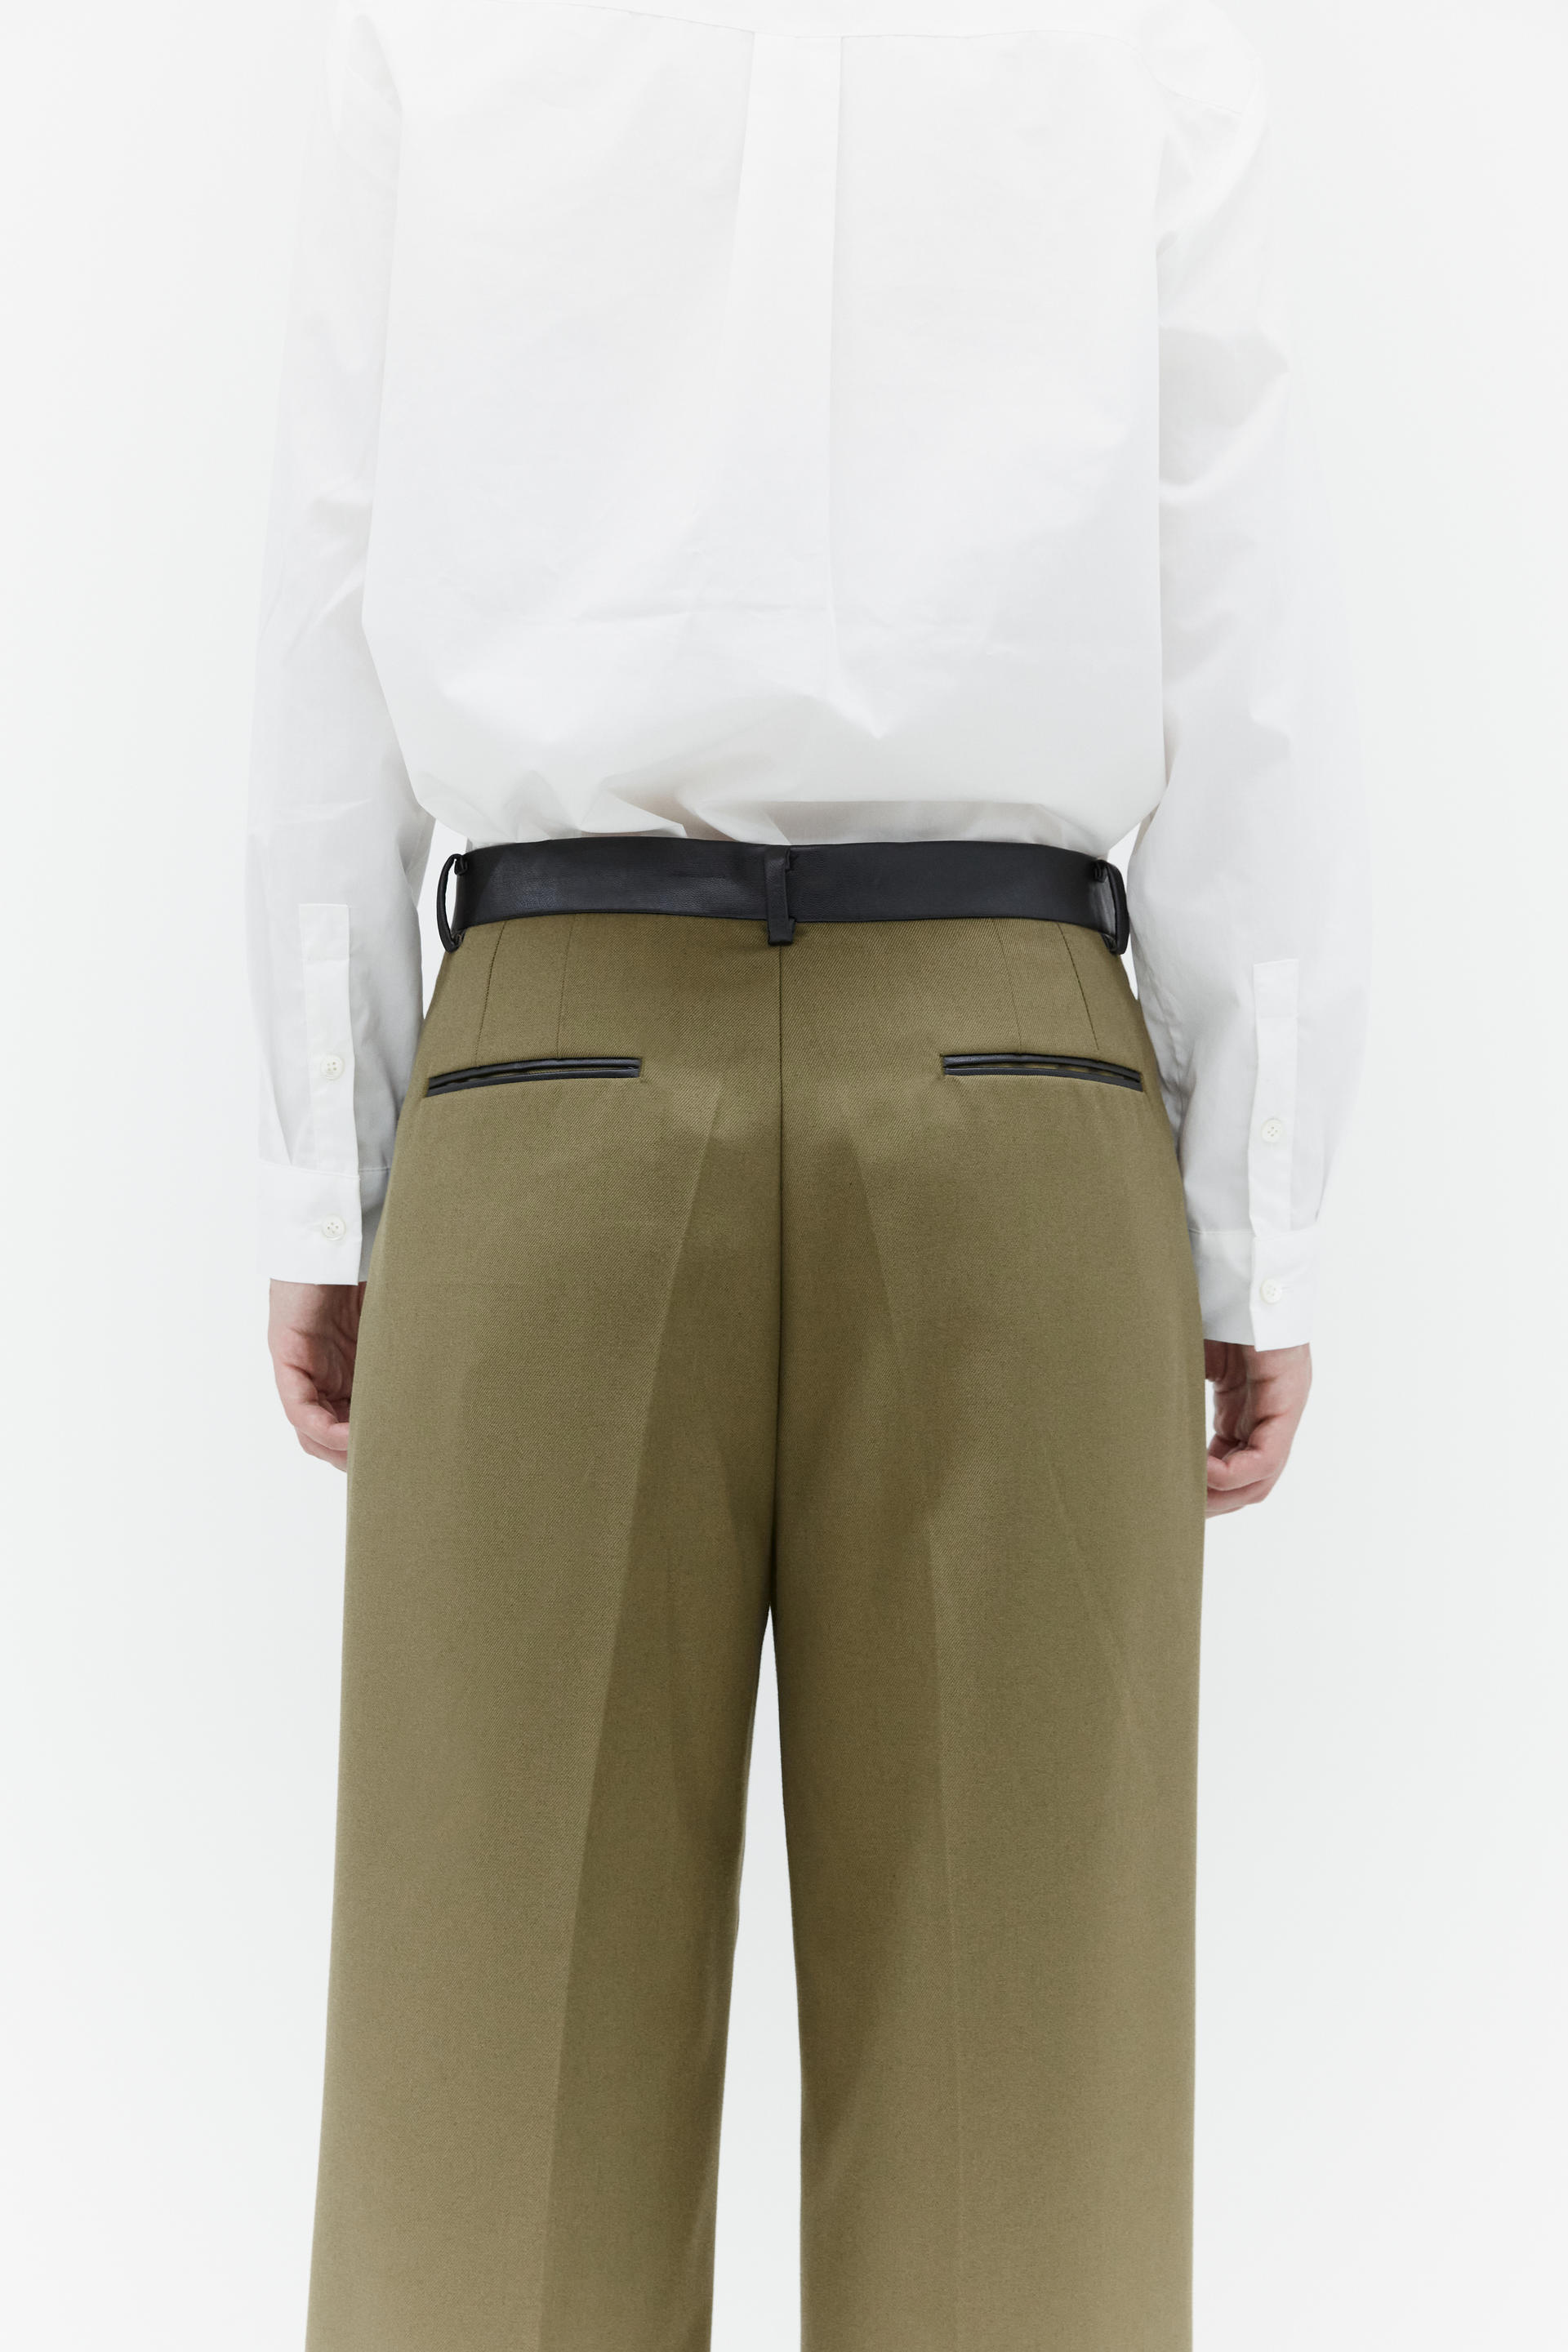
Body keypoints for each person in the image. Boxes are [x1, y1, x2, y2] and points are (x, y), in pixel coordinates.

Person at [249, 2, 1367, 2345]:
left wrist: (320, 1170)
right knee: (1027, 2149)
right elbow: (1246, 619)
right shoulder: (1144, 45)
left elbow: (329, 598)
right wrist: (1253, 1214)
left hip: (543, 1081)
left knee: (483, 2123)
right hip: (1017, 1091)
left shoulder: (432, 36)